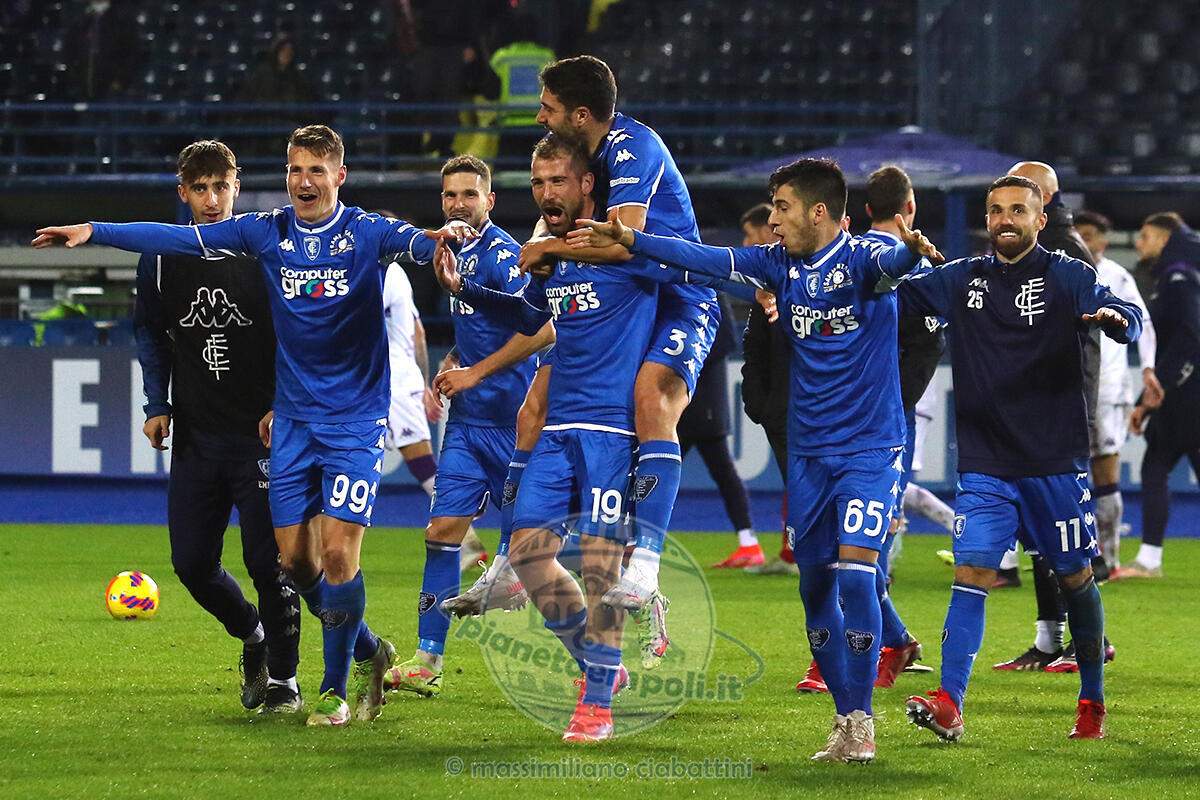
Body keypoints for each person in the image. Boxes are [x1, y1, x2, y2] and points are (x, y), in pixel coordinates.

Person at [33, 125, 469, 727]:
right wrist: (94, 231)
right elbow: (170, 239)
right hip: (290, 424)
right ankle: (371, 649)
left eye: (316, 171)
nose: (304, 182)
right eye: (295, 170)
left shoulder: (366, 231)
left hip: (351, 421)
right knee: (295, 565)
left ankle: (331, 690)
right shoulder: (265, 233)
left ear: (339, 176)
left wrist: (442, 242)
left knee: (337, 555)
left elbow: (418, 242)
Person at [570, 157, 943, 763]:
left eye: (782, 209)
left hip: (872, 450)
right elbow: (703, 258)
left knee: (856, 575)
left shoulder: (866, 256)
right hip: (809, 454)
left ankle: (862, 722)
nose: (773, 221)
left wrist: (910, 253)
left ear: (818, 212)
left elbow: (892, 266)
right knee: (815, 588)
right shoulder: (776, 263)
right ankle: (844, 716)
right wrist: (633, 240)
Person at [435, 134, 676, 741]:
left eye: (558, 181)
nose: (546, 193)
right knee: (527, 557)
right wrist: (465, 290)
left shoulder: (627, 249)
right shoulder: (551, 257)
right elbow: (527, 318)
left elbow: (678, 265)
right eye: (538, 183)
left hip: (612, 429)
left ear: (587, 184)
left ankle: (596, 704)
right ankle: (601, 665)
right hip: (557, 431)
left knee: (600, 568)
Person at [898, 174, 1142, 742]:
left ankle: (1092, 701)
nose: (1005, 219)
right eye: (995, 210)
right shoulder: (961, 278)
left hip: (1054, 462)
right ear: (986, 219)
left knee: (1075, 578)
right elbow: (890, 297)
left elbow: (1122, 312)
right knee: (972, 574)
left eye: (1017, 210)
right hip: (986, 463)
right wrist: (898, 260)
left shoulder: (1068, 274)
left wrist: (1116, 322)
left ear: (1039, 219)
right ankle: (949, 704)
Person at [522, 55, 722, 611]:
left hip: (680, 296)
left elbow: (624, 242)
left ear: (581, 114)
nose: (540, 117)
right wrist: (544, 241)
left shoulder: (634, 148)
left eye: (548, 107)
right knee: (537, 404)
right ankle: (516, 559)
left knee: (650, 401)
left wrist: (548, 248)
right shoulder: (590, 158)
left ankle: (646, 567)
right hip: (629, 295)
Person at [133, 140, 301, 713]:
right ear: (183, 193)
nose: (211, 199)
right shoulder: (160, 258)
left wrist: (285, 403)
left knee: (268, 563)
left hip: (261, 437)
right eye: (200, 188)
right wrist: (156, 403)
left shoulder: (265, 251)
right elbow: (149, 332)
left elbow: (295, 335)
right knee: (191, 564)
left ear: (237, 187)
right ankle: (253, 635)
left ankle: (285, 680)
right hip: (197, 438)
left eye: (221, 186)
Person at [386, 156, 537, 698]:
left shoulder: (504, 256)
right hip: (468, 426)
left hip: (515, 425)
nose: (458, 204)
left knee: (532, 565)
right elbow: (481, 329)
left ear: (489, 201)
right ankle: (428, 660)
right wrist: (455, 358)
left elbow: (538, 328)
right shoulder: (451, 253)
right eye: (450, 195)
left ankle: (600, 664)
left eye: (469, 195)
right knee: (441, 534)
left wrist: (476, 372)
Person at [990, 160, 1103, 671]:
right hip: (1029, 408)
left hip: (1058, 411)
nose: (1010, 212)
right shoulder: (1024, 252)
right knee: (1037, 529)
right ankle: (1048, 640)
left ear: (1046, 202)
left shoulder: (1064, 255)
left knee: (1064, 532)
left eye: (1024, 198)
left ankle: (1090, 641)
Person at [859, 165, 938, 687]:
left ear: (867, 210)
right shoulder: (923, 266)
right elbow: (929, 347)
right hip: (889, 416)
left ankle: (882, 641)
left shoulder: (841, 253)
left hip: (848, 415)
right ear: (909, 207)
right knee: (871, 526)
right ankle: (890, 636)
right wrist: (894, 404)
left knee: (857, 533)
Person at [375, 210, 488, 570]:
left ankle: (464, 520)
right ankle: (466, 536)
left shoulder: (387, 273)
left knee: (421, 462)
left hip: (393, 380)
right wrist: (423, 383)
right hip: (392, 379)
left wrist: (419, 383)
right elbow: (418, 332)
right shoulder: (397, 273)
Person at [1073, 210, 1159, 579]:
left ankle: (1107, 559)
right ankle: (1072, 555)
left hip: (1107, 388)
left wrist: (1148, 369)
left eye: (1089, 234)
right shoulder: (1062, 271)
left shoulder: (1117, 277)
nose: (1083, 240)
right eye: (1078, 233)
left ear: (1103, 242)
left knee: (1104, 473)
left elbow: (1144, 322)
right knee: (1065, 475)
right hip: (1069, 388)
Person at [1123, 211, 1200, 578]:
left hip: (1187, 395)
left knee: (1156, 465)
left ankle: (1150, 559)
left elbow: (1188, 339)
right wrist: (1148, 399)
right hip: (1180, 394)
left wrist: (1158, 391)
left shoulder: (1178, 278)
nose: (1139, 245)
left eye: (1146, 236)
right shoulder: (1176, 275)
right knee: (1155, 465)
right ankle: (1149, 559)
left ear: (1165, 238)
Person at [678, 296, 762, 569]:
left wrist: (686, 356)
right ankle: (748, 542)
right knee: (658, 468)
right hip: (680, 402)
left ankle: (633, 537)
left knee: (657, 467)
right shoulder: (678, 288)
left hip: (704, 402)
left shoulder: (711, 290)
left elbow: (727, 339)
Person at [738, 203, 798, 576]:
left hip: (809, 406)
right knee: (798, 482)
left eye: (750, 234)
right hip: (780, 407)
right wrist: (759, 402)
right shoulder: (766, 281)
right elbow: (755, 345)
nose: (746, 243)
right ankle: (795, 553)